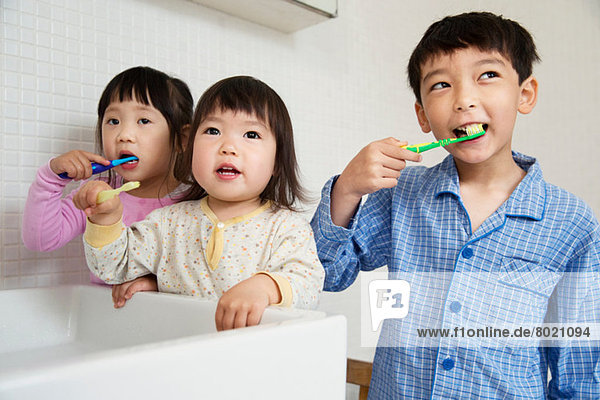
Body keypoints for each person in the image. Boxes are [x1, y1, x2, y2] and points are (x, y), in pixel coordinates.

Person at [311, 12, 599, 399]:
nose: (464, 100)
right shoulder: (401, 193)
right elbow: (327, 274)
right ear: (422, 115)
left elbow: (579, 374)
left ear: (525, 94)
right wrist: (346, 189)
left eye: (488, 76)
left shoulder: (571, 222)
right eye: (442, 85)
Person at [74, 76, 325, 330]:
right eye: (212, 131)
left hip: (252, 361)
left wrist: (265, 287)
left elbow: (309, 285)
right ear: (191, 145)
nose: (228, 147)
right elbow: (113, 268)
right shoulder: (167, 222)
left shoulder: (287, 228)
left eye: (251, 134)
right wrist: (105, 219)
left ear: (277, 163)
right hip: (180, 358)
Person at [22, 66, 194, 306]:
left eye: (143, 120)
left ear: (182, 139)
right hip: (105, 321)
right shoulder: (98, 193)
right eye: (113, 120)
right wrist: (51, 178)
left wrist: (157, 283)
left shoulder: (195, 201)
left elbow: (205, 271)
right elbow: (40, 240)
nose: (124, 134)